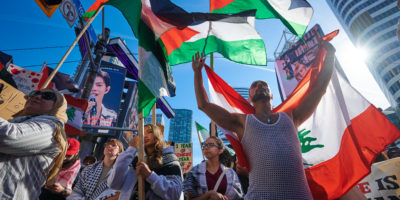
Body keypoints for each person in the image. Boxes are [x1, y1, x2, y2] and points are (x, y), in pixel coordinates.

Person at [192, 40, 336, 199]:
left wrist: (330, 56)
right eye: (255, 85)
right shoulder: (242, 122)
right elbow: (203, 105)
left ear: (271, 95)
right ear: (250, 98)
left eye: (264, 84)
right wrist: (197, 72)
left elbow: (320, 88)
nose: (260, 85)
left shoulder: (291, 116)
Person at [0, 88, 68, 199]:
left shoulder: (52, 128)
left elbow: (7, 136)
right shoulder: (21, 121)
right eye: (35, 93)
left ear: (58, 107)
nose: (37, 97)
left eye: (47, 96)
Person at [108, 124, 184, 200]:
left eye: (149, 132)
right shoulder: (135, 160)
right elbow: (113, 184)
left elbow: (175, 193)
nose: (145, 135)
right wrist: (130, 149)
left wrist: (149, 175)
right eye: (142, 133)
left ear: (157, 135)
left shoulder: (170, 159)